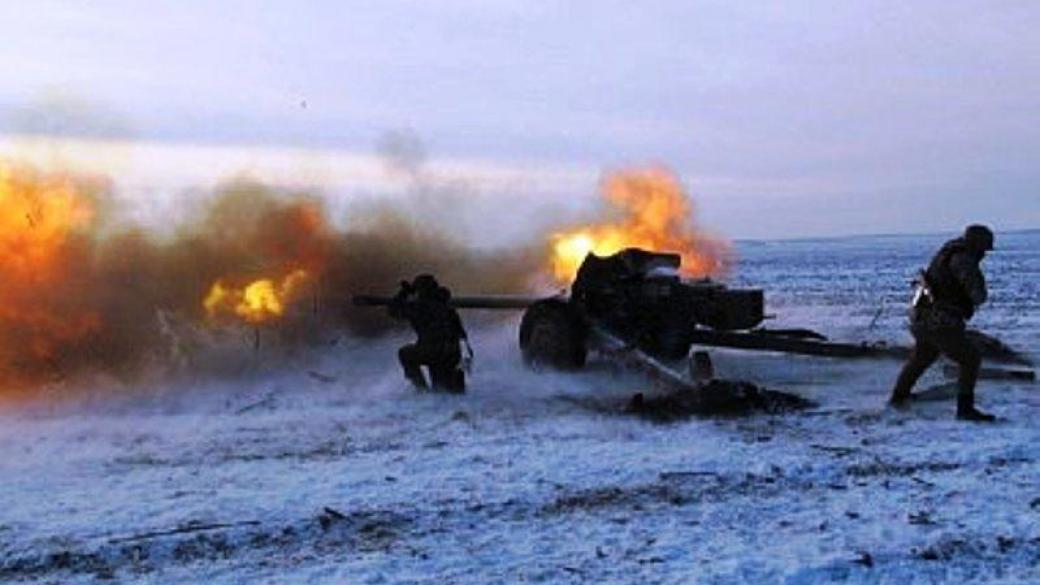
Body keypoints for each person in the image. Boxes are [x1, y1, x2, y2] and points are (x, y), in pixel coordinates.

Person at [889, 224, 996, 421]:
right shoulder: (963, 260)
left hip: (922, 317)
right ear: (976, 245)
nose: (984, 255)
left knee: (923, 356)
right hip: (940, 320)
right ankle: (965, 409)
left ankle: (898, 398)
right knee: (970, 358)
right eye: (984, 249)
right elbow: (978, 296)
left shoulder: (948, 252)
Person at [388, 274, 472, 393]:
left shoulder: (419, 307)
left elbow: (393, 310)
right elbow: (461, 333)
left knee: (405, 354)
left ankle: (421, 390)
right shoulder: (447, 306)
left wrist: (404, 292)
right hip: (452, 353)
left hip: (433, 352)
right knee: (452, 392)